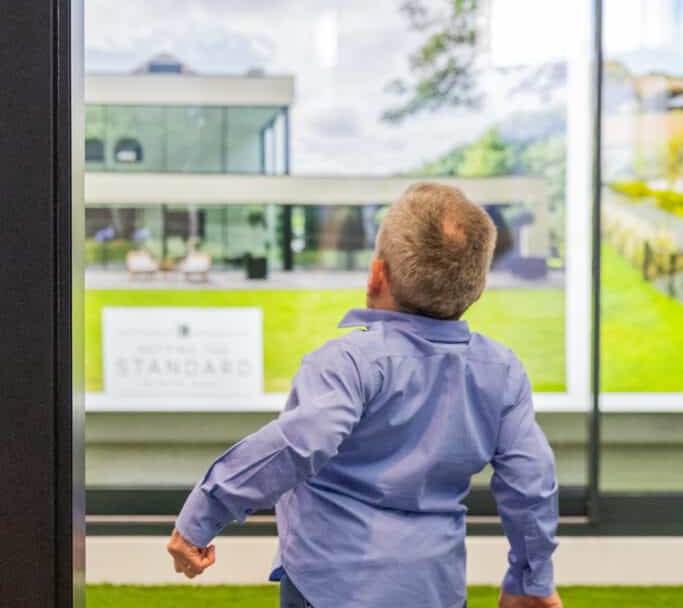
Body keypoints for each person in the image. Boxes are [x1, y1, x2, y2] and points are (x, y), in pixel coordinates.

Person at [166, 183, 562, 608]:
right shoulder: (501, 371)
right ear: (478, 288)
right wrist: (530, 579)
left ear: (376, 274)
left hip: (326, 591)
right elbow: (531, 481)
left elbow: (300, 442)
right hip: (435, 591)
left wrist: (203, 513)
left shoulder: (348, 363)